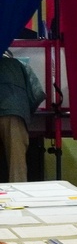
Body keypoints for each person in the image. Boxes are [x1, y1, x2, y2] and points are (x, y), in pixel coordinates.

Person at [0, 52, 44, 183]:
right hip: (14, 113)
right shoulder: (21, 65)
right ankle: (18, 199)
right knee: (16, 164)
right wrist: (27, 111)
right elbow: (38, 93)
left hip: (13, 110)